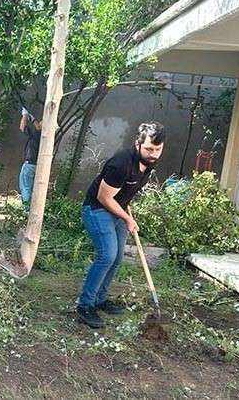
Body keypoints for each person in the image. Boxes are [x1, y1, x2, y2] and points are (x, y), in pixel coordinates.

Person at [76, 122, 165, 328]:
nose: (153, 154)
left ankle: (100, 299)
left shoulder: (149, 163)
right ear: (137, 144)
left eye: (158, 150)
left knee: (116, 258)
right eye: (149, 149)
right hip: (97, 209)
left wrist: (125, 211)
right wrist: (128, 218)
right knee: (106, 255)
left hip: (117, 210)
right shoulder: (121, 163)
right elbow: (104, 197)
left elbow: (125, 190)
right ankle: (85, 305)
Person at [19, 107, 42, 209]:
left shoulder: (36, 134)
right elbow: (38, 127)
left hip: (29, 164)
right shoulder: (45, 136)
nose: (39, 123)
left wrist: (24, 115)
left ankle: (26, 209)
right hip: (38, 165)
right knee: (33, 188)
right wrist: (32, 119)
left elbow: (22, 127)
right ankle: (32, 208)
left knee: (25, 187)